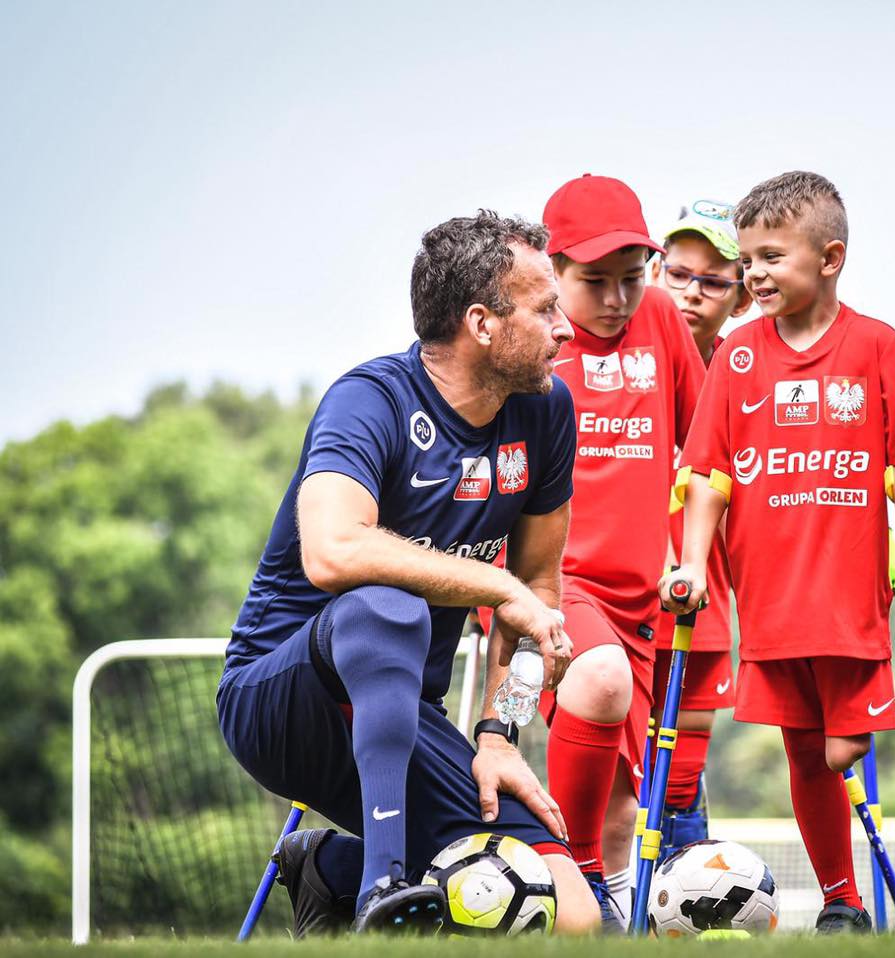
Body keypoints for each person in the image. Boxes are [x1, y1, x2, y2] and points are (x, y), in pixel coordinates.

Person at [216, 211, 600, 935]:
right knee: (386, 606)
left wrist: (498, 734)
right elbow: (331, 551)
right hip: (281, 696)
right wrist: (495, 585)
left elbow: (538, 594)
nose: (567, 325)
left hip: (404, 715)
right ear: (482, 323)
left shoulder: (547, 412)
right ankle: (381, 892)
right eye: (546, 306)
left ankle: (331, 871)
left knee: (573, 916)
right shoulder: (370, 400)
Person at [660, 171, 895, 933]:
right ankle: (841, 903)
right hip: (770, 597)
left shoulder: (877, 345)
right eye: (746, 261)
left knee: (839, 748)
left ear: (829, 259)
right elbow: (705, 475)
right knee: (803, 748)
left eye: (769, 257)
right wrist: (691, 565)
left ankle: (844, 890)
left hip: (851, 597)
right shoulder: (739, 356)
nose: (752, 275)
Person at [538, 174, 705, 926]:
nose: (616, 300)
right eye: (594, 282)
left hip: (649, 596)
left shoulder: (663, 316)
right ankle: (570, 878)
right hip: (552, 585)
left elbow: (705, 448)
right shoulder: (534, 341)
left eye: (631, 279)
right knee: (598, 679)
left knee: (625, 800)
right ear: (553, 270)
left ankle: (591, 916)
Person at [647, 200, 751, 857]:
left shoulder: (748, 378)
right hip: (602, 601)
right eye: (678, 273)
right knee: (605, 767)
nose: (692, 293)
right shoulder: (614, 360)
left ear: (741, 296)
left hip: (701, 605)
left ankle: (681, 903)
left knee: (679, 779)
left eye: (713, 281)